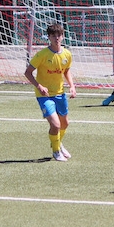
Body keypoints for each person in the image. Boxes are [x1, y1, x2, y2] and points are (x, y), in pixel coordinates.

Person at [24, 22, 76, 161]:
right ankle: (56, 151)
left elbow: (66, 71)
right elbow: (28, 72)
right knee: (55, 125)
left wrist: (72, 86)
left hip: (60, 93)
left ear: (63, 36)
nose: (56, 38)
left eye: (59, 35)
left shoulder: (67, 54)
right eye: (53, 36)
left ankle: (58, 143)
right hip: (44, 96)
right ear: (49, 37)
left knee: (65, 124)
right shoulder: (42, 54)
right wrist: (39, 86)